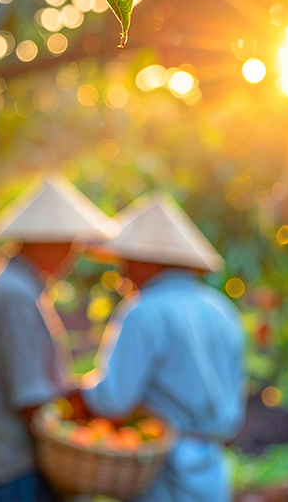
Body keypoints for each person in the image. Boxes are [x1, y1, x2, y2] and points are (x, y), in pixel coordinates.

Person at [77, 191, 247, 502]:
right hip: (212, 471)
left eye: (126, 260)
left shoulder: (144, 312)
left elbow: (114, 400)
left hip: (162, 475)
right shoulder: (223, 310)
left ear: (148, 260)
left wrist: (81, 394)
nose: (121, 272)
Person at [0, 174, 117, 502]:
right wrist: (78, 416)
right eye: (68, 245)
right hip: (17, 463)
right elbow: (30, 398)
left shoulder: (15, 285)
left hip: (10, 458)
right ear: (47, 242)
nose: (71, 256)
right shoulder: (16, 295)